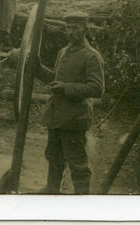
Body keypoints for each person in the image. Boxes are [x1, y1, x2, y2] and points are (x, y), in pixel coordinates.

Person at [35, 11, 104, 194]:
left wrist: (66, 88)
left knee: (77, 161)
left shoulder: (91, 56)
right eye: (68, 28)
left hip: (74, 117)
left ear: (85, 29)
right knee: (54, 156)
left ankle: (81, 198)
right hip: (56, 114)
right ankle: (52, 189)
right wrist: (38, 69)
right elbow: (55, 79)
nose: (71, 32)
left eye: (76, 28)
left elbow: (97, 88)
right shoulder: (63, 52)